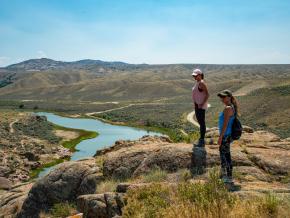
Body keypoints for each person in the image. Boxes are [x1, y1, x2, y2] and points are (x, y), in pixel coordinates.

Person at [217, 89, 239, 184]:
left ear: (229, 97)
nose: (222, 99)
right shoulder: (232, 107)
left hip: (225, 135)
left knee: (224, 155)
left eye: (224, 97)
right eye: (221, 97)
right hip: (227, 134)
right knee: (226, 154)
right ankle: (227, 175)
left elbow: (225, 124)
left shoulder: (228, 108)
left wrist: (220, 137)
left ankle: (227, 177)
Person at [192, 69, 209, 147]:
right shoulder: (197, 83)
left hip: (200, 106)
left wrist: (202, 104)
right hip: (197, 105)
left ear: (200, 75)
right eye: (193, 76)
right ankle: (201, 139)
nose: (194, 77)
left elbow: (207, 94)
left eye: (195, 75)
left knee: (202, 122)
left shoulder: (201, 83)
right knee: (200, 122)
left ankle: (202, 140)